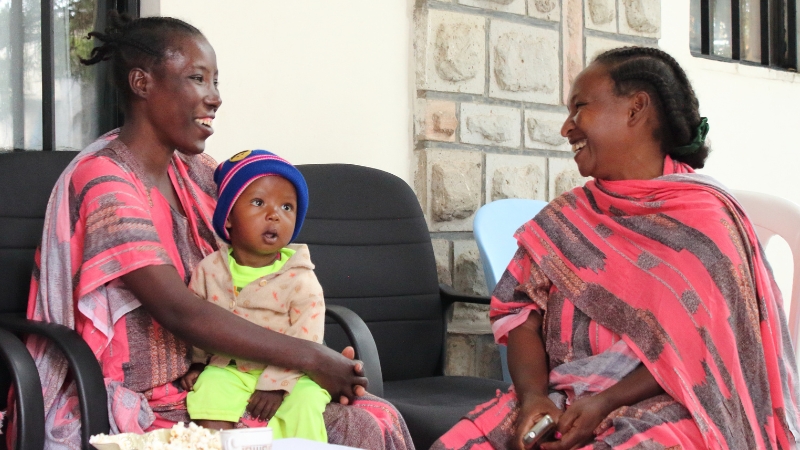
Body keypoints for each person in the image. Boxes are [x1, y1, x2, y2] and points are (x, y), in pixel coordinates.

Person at [17, 12, 413, 450]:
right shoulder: (106, 180)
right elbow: (179, 311)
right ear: (142, 83)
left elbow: (255, 262)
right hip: (145, 398)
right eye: (197, 79)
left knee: (372, 418)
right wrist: (311, 356)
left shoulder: (197, 171)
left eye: (215, 82)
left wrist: (304, 364)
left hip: (221, 377)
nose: (215, 98)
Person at [433, 46, 800, 450]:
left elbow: (706, 350)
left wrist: (605, 401)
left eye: (580, 108)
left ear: (635, 109)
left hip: (672, 406)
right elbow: (520, 311)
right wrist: (534, 397)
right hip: (558, 401)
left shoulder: (705, 225)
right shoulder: (566, 219)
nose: (566, 128)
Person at [182, 149, 329, 442]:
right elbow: (195, 320)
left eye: (287, 207)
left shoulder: (300, 279)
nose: (274, 214)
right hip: (229, 366)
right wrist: (197, 363)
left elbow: (306, 338)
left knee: (308, 401)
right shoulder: (209, 270)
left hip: (291, 373)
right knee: (209, 390)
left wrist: (276, 384)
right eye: (259, 202)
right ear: (228, 219)